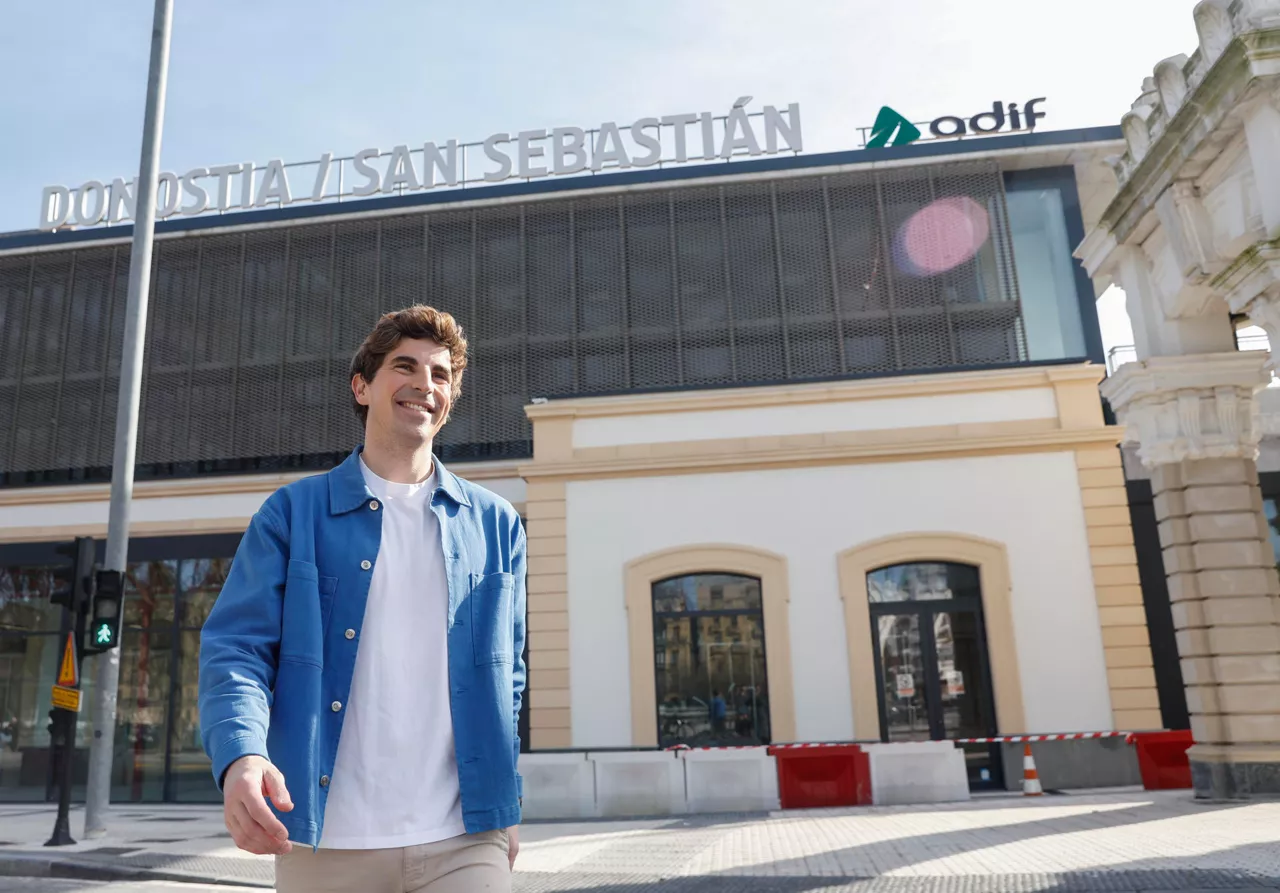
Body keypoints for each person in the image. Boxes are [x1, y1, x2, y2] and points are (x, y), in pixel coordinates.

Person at [198, 306, 526, 893]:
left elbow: (509, 675)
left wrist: (504, 799)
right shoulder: (292, 515)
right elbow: (237, 651)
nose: (425, 383)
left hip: (465, 838)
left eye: (440, 374)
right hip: (327, 842)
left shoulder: (497, 524)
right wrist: (242, 754)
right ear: (362, 386)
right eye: (405, 366)